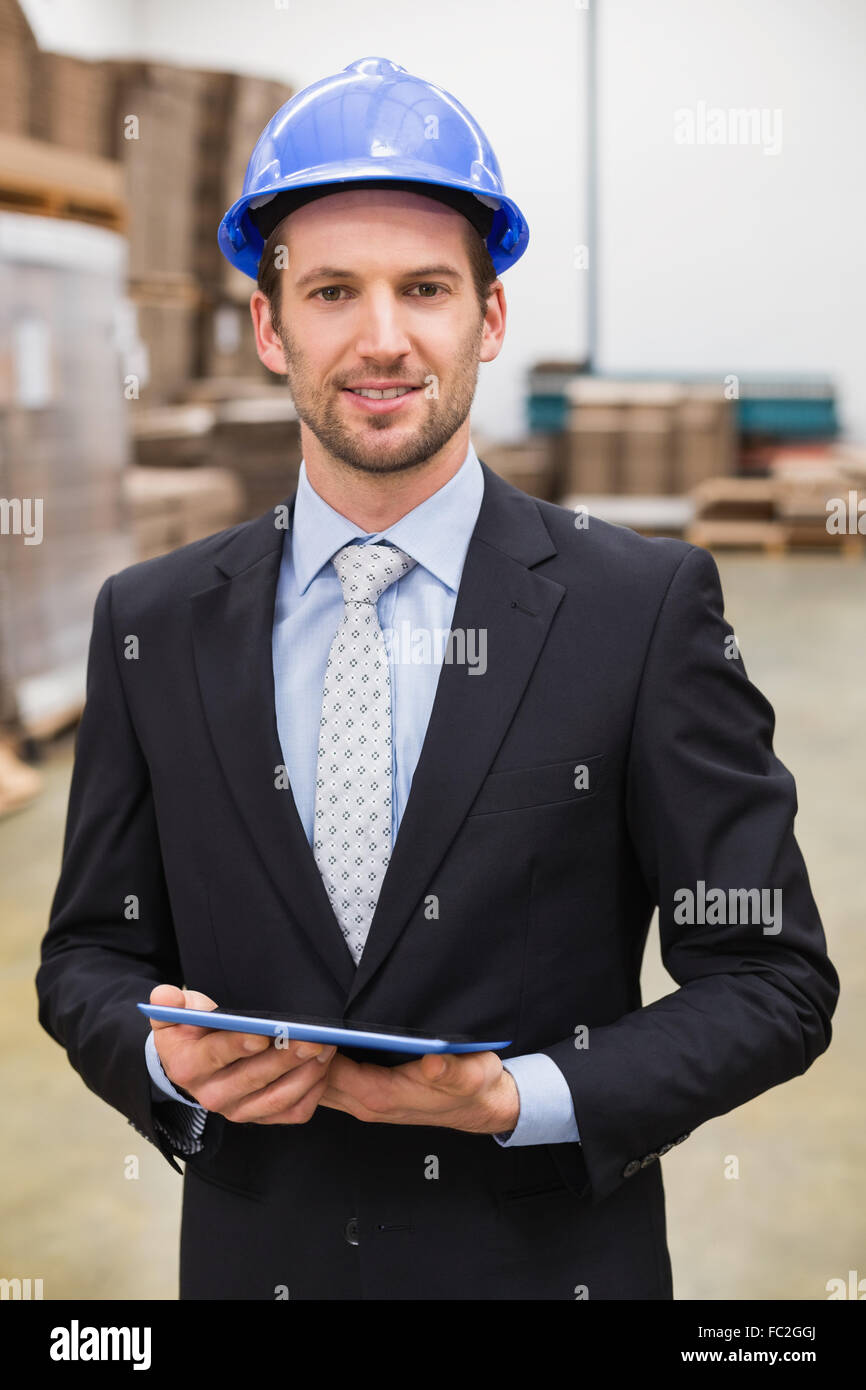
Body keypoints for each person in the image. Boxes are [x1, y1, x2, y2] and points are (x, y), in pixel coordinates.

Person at [37, 56, 838, 1301]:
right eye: (331, 291)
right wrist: (167, 1066)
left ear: (490, 317)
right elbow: (88, 953)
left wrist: (522, 1097)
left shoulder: (638, 608)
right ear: (267, 324)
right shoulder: (153, 624)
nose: (381, 338)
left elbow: (770, 979)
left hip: (543, 1266)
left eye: (425, 288)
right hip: (263, 1265)